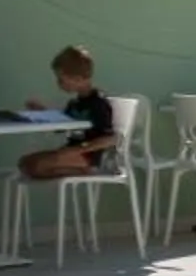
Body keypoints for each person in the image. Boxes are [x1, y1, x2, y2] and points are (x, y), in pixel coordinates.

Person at [17, 46, 119, 180]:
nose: (59, 84)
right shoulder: (75, 103)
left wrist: (78, 150)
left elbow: (110, 139)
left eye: (61, 80)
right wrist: (43, 112)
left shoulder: (98, 103)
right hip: (70, 151)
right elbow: (62, 125)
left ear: (77, 78)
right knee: (24, 163)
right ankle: (73, 169)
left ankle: (84, 171)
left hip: (87, 155)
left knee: (37, 166)